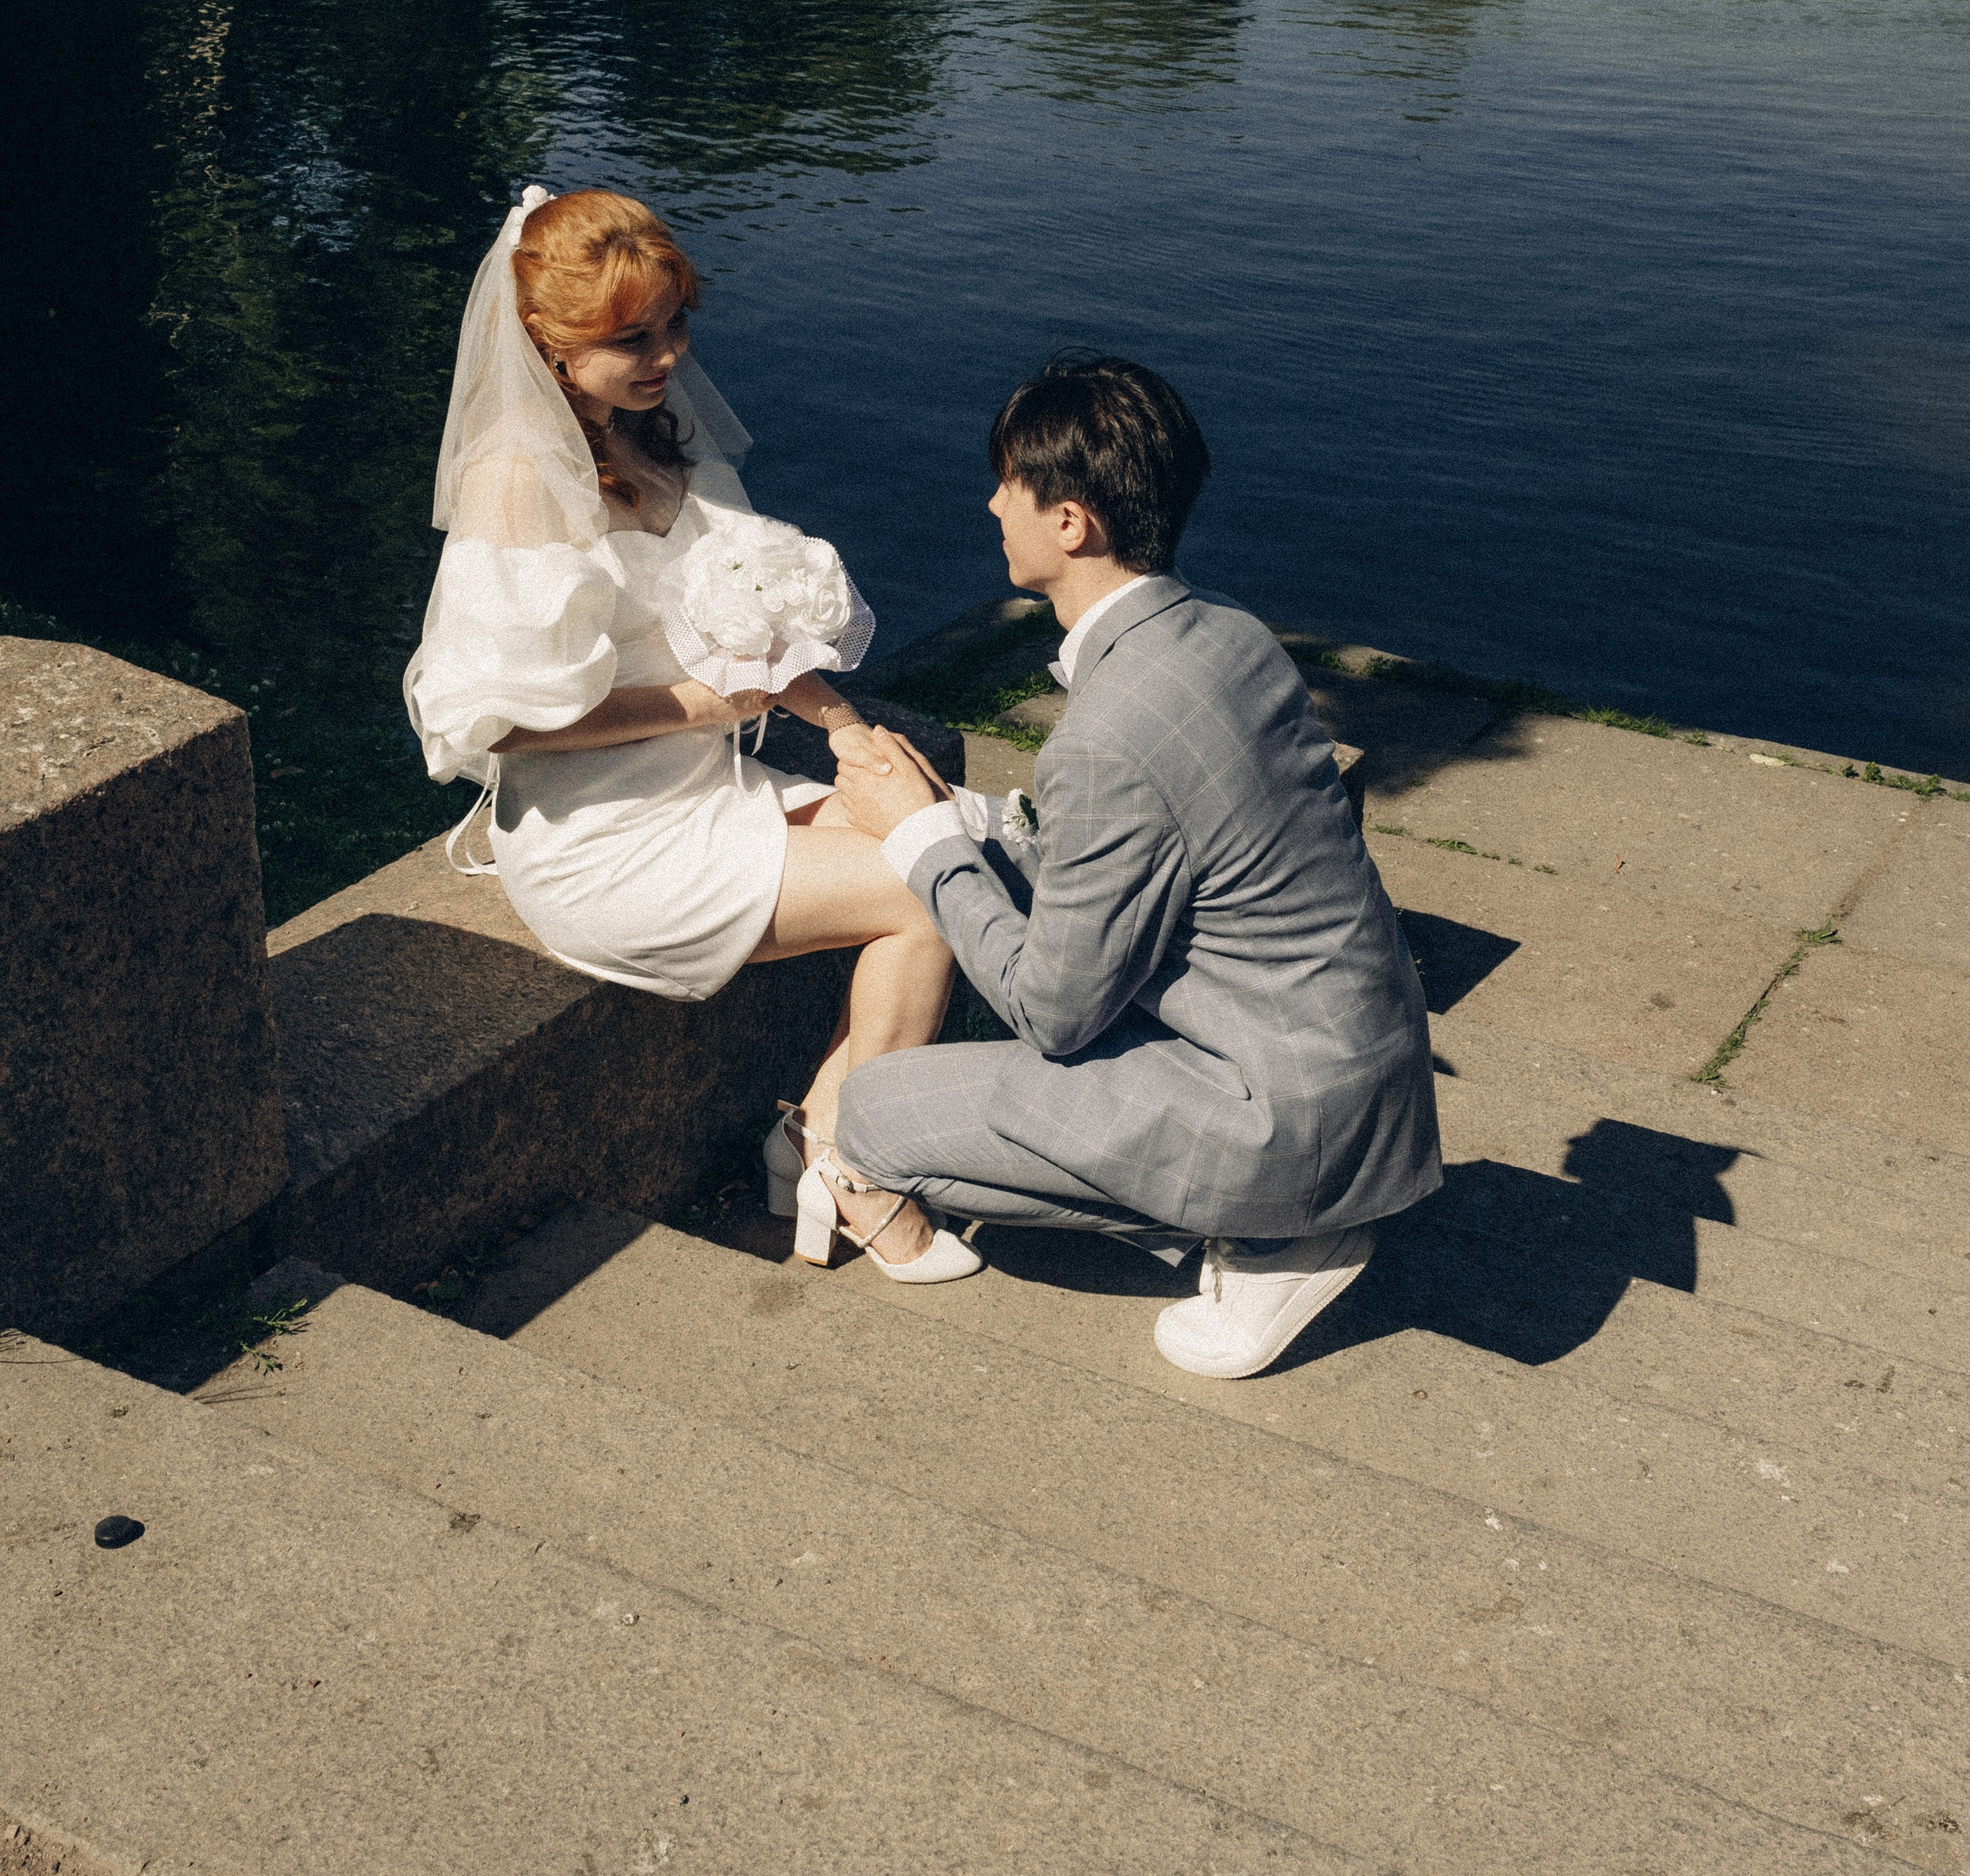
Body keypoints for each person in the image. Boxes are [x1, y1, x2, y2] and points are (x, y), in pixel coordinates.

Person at [404, 186, 980, 1283]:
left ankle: (816, 1140)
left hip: (705, 799)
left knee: (940, 836)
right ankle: (851, 1168)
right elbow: (500, 720)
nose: (667, 355)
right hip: (605, 842)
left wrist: (849, 730)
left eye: (675, 324)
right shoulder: (519, 482)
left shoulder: (657, 437)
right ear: (547, 344)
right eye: (632, 339)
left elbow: (750, 617)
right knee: (928, 891)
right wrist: (708, 710)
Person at [826, 356, 1441, 1379]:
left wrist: (917, 840)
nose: (990, 503)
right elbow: (1163, 833)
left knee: (877, 1115)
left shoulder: (1107, 735)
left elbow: (1053, 1012)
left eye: (1008, 485)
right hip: (1367, 1080)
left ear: (1070, 523)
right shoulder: (1234, 636)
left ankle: (1277, 1240)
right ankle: (1269, 1210)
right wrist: (974, 819)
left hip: (1276, 1118)